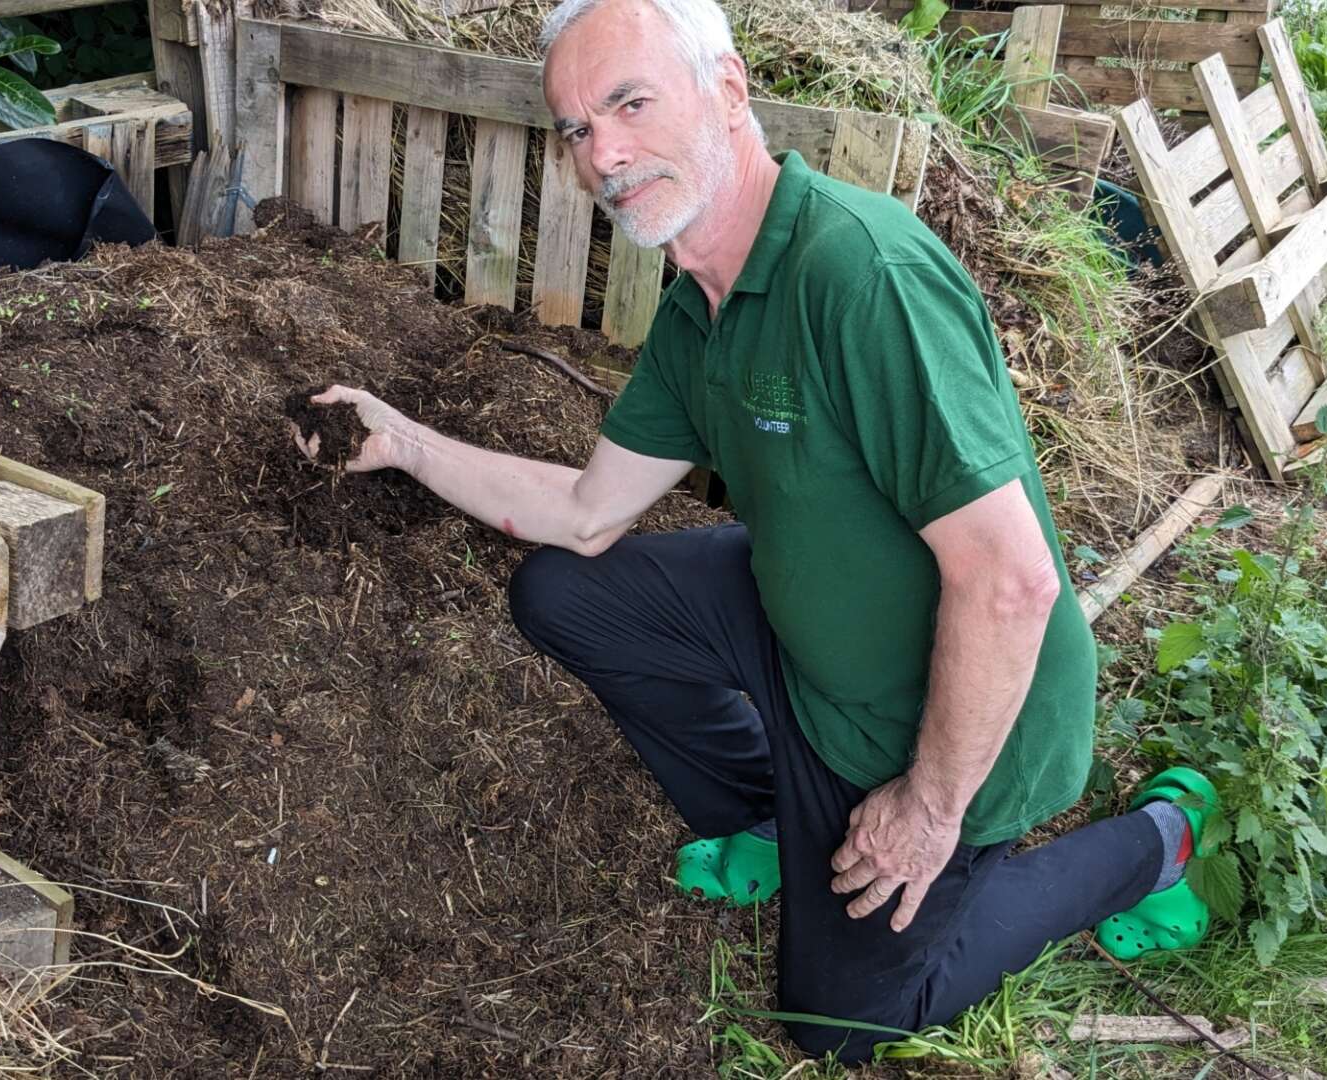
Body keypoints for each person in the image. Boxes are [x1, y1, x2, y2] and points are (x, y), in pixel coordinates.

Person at [300, 0, 1220, 1062]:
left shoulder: (860, 277)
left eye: (629, 102)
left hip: (948, 718)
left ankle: (1157, 844)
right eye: (574, 128)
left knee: (839, 1028)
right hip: (810, 645)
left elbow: (1011, 584)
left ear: (728, 91)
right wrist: (404, 441)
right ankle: (782, 815)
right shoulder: (701, 306)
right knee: (562, 590)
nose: (602, 152)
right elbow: (587, 512)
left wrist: (925, 806)